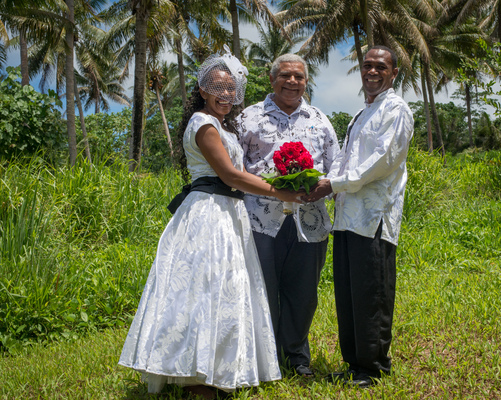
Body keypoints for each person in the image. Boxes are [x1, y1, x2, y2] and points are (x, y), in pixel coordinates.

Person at [118, 50, 302, 399]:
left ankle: (220, 367)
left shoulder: (221, 126)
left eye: (232, 90)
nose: (226, 95)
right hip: (208, 214)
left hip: (228, 213)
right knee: (204, 290)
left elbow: (240, 174)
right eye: (219, 87)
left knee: (226, 289)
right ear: (202, 89)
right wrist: (281, 192)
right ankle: (198, 378)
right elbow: (231, 174)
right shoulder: (203, 124)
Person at [305, 45, 414, 387]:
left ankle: (374, 367)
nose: (372, 71)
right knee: (349, 294)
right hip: (347, 217)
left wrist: (334, 183)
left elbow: (382, 162)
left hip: (373, 217)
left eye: (380, 66)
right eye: (367, 65)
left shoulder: (396, 110)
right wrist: (326, 182)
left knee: (373, 293)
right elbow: (343, 159)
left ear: (394, 73)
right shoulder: (360, 115)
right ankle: (354, 363)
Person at [236, 54, 340, 377]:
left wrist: (324, 186)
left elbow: (337, 166)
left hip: (308, 222)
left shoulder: (320, 120)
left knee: (304, 292)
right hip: (260, 222)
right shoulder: (249, 118)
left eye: (299, 77)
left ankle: (296, 357)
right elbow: (234, 167)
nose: (293, 82)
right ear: (272, 80)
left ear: (306, 82)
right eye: (285, 75)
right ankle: (265, 361)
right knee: (262, 289)